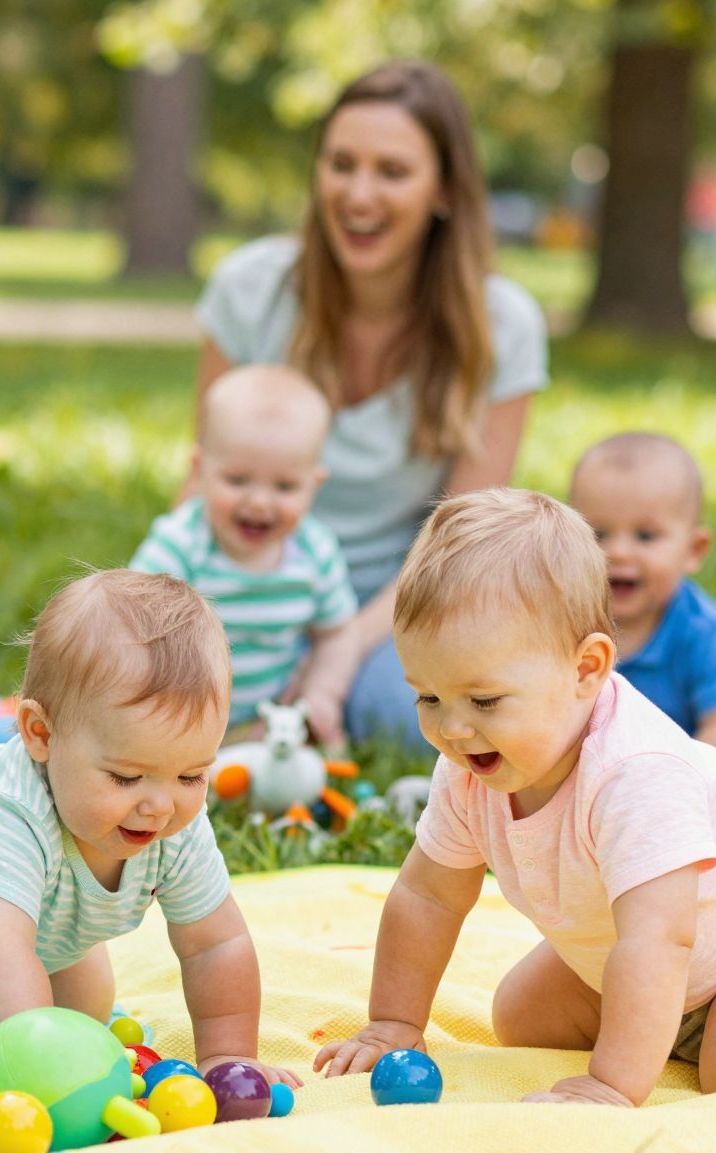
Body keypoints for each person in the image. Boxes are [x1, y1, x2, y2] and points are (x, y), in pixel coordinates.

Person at [316, 489, 716, 1105]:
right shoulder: (470, 765)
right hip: (657, 952)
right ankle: (677, 1027)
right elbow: (427, 896)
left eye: (484, 701)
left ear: (587, 669)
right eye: (428, 697)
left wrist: (611, 1085)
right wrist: (394, 1024)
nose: (451, 728)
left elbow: (660, 940)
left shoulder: (635, 774)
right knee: (523, 1018)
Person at [0, 569, 298, 1088]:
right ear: (41, 734)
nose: (159, 805)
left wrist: (227, 1058)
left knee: (85, 1022)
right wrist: (40, 1078)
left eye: (191, 774)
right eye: (126, 776)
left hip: (26, 938)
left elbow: (216, 945)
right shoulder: (2, 812)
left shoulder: (174, 823)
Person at [193, 59, 548, 754]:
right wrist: (193, 616)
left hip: (407, 599)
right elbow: (203, 481)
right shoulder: (250, 288)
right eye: (341, 164)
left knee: (400, 713)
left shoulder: (501, 324)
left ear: (443, 189)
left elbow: (457, 543)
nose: (358, 194)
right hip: (255, 568)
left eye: (392, 172)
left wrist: (342, 647)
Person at [129, 366, 357, 743]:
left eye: (285, 486)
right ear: (200, 470)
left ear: (314, 485)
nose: (259, 501)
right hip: (180, 720)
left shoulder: (315, 553)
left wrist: (322, 695)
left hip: (274, 725)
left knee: (319, 759)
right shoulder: (181, 545)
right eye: (237, 480)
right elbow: (128, 625)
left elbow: (337, 634)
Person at [567, 433, 716, 766]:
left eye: (646, 536)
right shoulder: (561, 626)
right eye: (598, 534)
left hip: (699, 783)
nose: (618, 551)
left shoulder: (705, 631)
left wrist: (686, 779)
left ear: (693, 550)